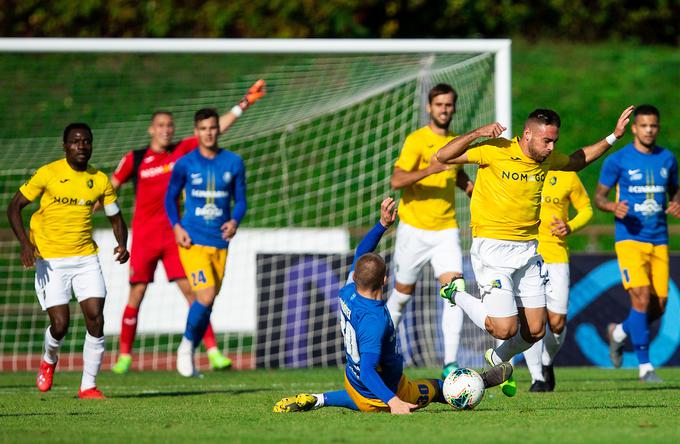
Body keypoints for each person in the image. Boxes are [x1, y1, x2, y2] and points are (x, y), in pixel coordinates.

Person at [437, 106, 634, 397]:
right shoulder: (493, 149)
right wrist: (477, 133)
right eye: (547, 140)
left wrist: (613, 137)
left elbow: (577, 160)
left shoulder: (547, 158)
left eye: (554, 140)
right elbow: (443, 156)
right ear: (528, 134)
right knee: (503, 328)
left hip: (529, 251)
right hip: (492, 248)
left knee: (536, 330)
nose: (552, 146)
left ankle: (497, 358)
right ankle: (454, 292)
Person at [272, 198, 512, 414]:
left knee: (362, 392)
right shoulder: (374, 320)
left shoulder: (348, 291)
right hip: (383, 393)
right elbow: (368, 371)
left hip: (353, 381)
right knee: (440, 389)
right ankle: (482, 380)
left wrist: (382, 225)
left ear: (355, 276)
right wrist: (393, 401)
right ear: (385, 280)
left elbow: (361, 252)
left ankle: (319, 399)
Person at [110, 80, 265, 374]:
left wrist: (244, 103)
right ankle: (125, 356)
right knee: (137, 294)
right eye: (160, 124)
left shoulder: (183, 151)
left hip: (176, 237)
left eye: (170, 124)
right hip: (145, 236)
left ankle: (212, 351)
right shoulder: (137, 158)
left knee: (197, 295)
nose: (166, 129)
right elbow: (111, 187)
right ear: (151, 129)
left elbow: (217, 127)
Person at [7, 123, 130, 398]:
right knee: (60, 324)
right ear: (65, 146)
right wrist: (25, 244)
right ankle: (49, 359)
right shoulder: (48, 173)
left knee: (95, 317)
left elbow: (115, 216)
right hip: (51, 260)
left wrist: (122, 244)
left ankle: (88, 385)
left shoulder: (99, 180)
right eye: (75, 142)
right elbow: (14, 207)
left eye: (86, 141)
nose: (81, 146)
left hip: (86, 258)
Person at [386, 83, 474, 378]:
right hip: (413, 229)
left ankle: (449, 364)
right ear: (429, 107)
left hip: (446, 230)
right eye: (439, 104)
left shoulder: (455, 142)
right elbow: (397, 180)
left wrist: (473, 189)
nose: (444, 109)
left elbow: (458, 175)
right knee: (401, 296)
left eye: (449, 105)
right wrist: (429, 170)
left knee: (454, 292)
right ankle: (378, 353)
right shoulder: (417, 140)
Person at [595, 105, 680, 383]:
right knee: (641, 298)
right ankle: (645, 367)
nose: (648, 130)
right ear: (634, 128)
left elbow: (675, 191)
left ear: (658, 127)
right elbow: (600, 197)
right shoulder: (618, 161)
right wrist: (611, 207)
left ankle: (618, 332)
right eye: (643, 125)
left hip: (659, 240)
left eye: (653, 126)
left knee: (659, 306)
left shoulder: (667, 159)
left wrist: (677, 202)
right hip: (630, 239)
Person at [165, 108, 247, 377]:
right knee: (206, 294)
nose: (209, 133)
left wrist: (234, 221)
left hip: (220, 243)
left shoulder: (233, 162)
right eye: (203, 129)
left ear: (217, 130)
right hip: (192, 241)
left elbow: (241, 201)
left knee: (208, 302)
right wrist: (176, 227)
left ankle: (191, 346)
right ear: (196, 132)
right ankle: (186, 347)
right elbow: (170, 198)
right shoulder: (186, 164)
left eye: (212, 128)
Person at [522, 170, 593, 392]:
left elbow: (586, 209)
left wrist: (570, 226)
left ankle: (547, 361)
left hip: (556, 256)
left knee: (557, 322)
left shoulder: (567, 175)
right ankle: (536, 377)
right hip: (526, 254)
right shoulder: (522, 169)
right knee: (531, 322)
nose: (549, 147)